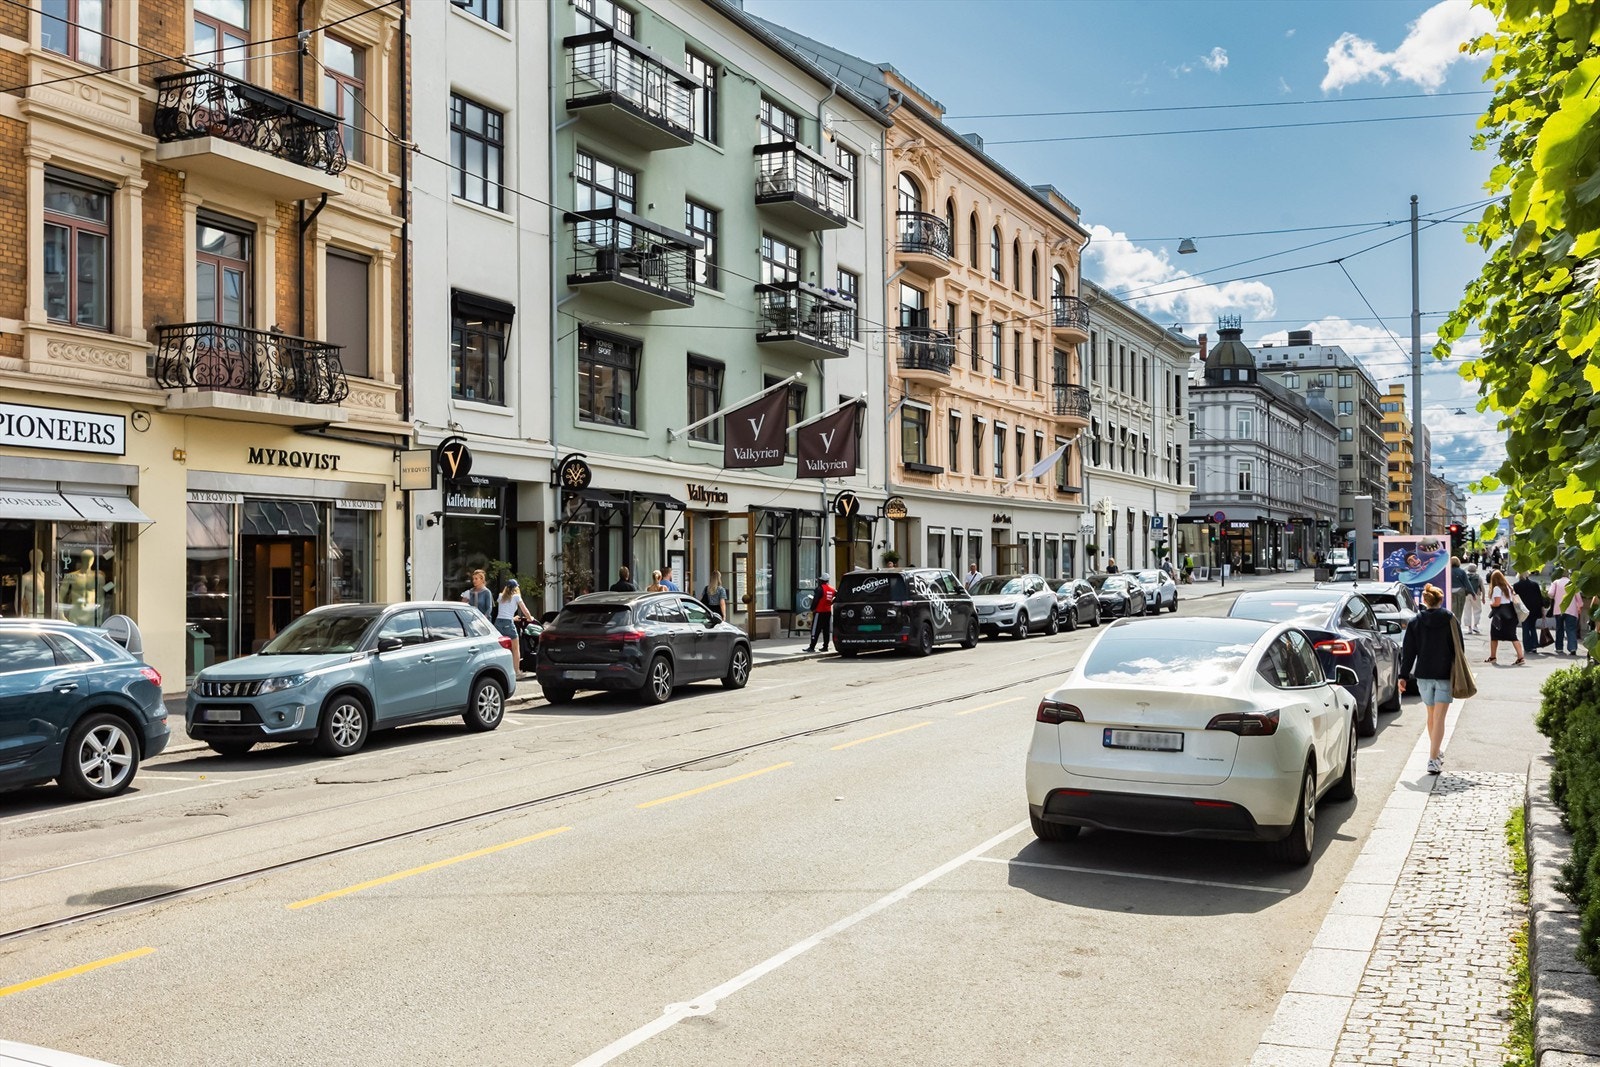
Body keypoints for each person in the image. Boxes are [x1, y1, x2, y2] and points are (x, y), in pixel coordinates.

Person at [1399, 584, 1463, 775]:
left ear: (1424, 601)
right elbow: (1459, 647)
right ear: (1440, 600)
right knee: (1440, 717)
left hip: (1423, 674)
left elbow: (1409, 652)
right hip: (1444, 673)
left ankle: (1435, 752)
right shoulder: (1450, 619)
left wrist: (1403, 676)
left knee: (1431, 715)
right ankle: (1433, 759)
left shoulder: (1415, 622)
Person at [1486, 569, 1528, 666]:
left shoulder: (1497, 588)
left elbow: (1497, 603)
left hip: (1500, 615)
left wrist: (1491, 604)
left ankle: (1493, 656)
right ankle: (1520, 657)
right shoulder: (1508, 587)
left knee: (1494, 636)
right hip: (1510, 613)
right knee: (1513, 636)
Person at [1548, 569, 1583, 656]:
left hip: (1559, 609)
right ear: (1569, 575)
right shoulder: (1573, 583)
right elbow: (1579, 600)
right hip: (1572, 610)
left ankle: (1559, 648)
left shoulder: (1556, 582)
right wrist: (1579, 606)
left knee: (1559, 629)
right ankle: (1572, 648)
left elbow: (1550, 594)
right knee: (1571, 629)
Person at [1512, 569, 1546, 655]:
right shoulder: (1535, 584)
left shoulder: (1516, 586)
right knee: (1532, 627)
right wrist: (1542, 609)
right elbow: (1540, 598)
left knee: (1525, 628)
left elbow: (1515, 599)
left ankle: (1527, 647)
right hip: (1534, 610)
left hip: (1523, 610)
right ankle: (1534, 645)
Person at [805, 572, 835, 653]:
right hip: (828, 612)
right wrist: (831, 603)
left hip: (819, 612)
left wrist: (812, 608)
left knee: (815, 629)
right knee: (826, 630)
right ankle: (825, 646)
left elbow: (816, 600)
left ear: (821, 580)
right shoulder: (832, 589)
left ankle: (812, 647)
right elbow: (837, 596)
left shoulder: (819, 589)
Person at [1462, 562, 1484, 634]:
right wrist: (1483, 597)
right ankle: (1475, 626)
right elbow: (1482, 588)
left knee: (1467, 610)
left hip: (1466, 595)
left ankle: (1469, 628)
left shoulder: (1465, 576)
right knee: (1477, 610)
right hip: (1476, 594)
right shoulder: (1478, 577)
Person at [1448, 556, 1469, 620]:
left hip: (1450, 591)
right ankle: (1458, 623)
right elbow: (1467, 583)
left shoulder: (1448, 571)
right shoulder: (1461, 571)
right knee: (1459, 610)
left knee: (1451, 608)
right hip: (1460, 591)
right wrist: (1472, 593)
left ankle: (1451, 622)